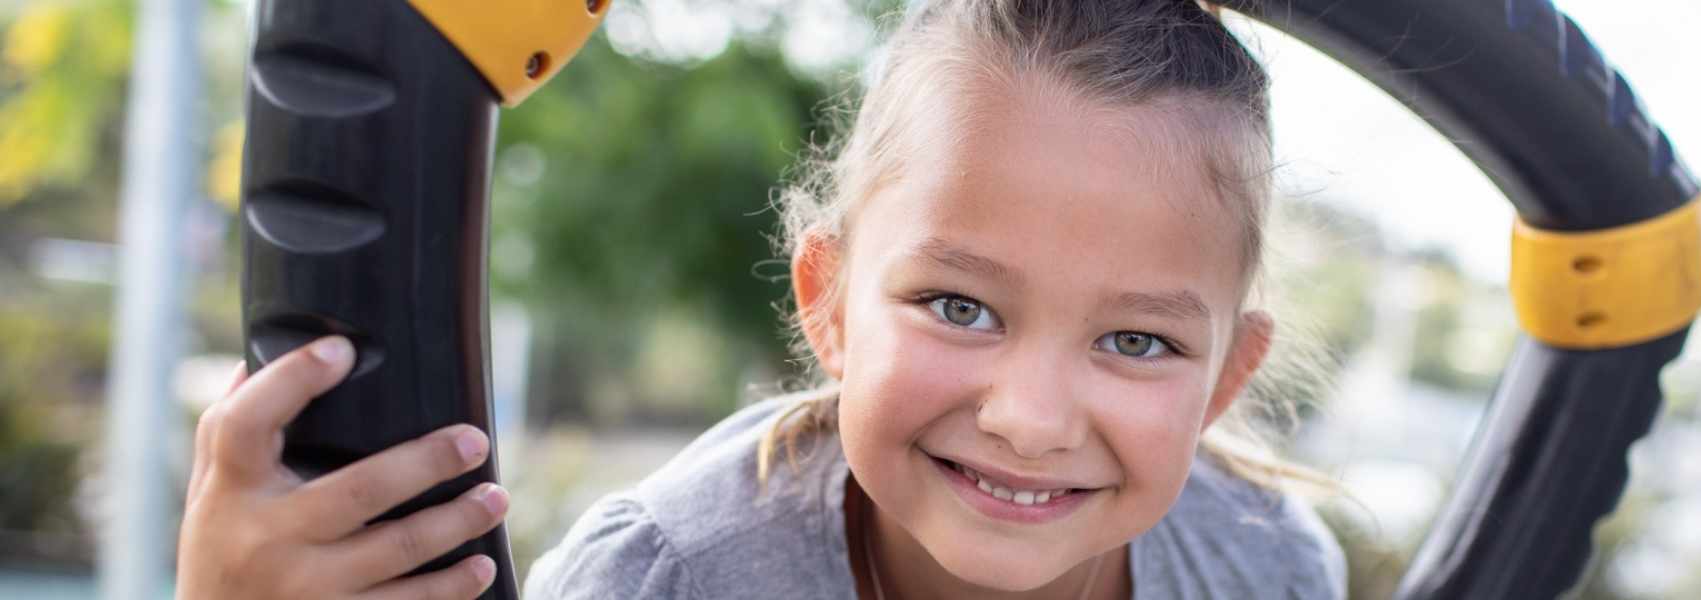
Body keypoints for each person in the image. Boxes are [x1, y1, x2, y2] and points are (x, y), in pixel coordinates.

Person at [177, 1, 1348, 598]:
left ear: (1223, 380)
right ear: (828, 302)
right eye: (958, 307)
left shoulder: (1263, 565)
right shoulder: (671, 580)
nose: (1029, 418)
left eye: (1135, 339)